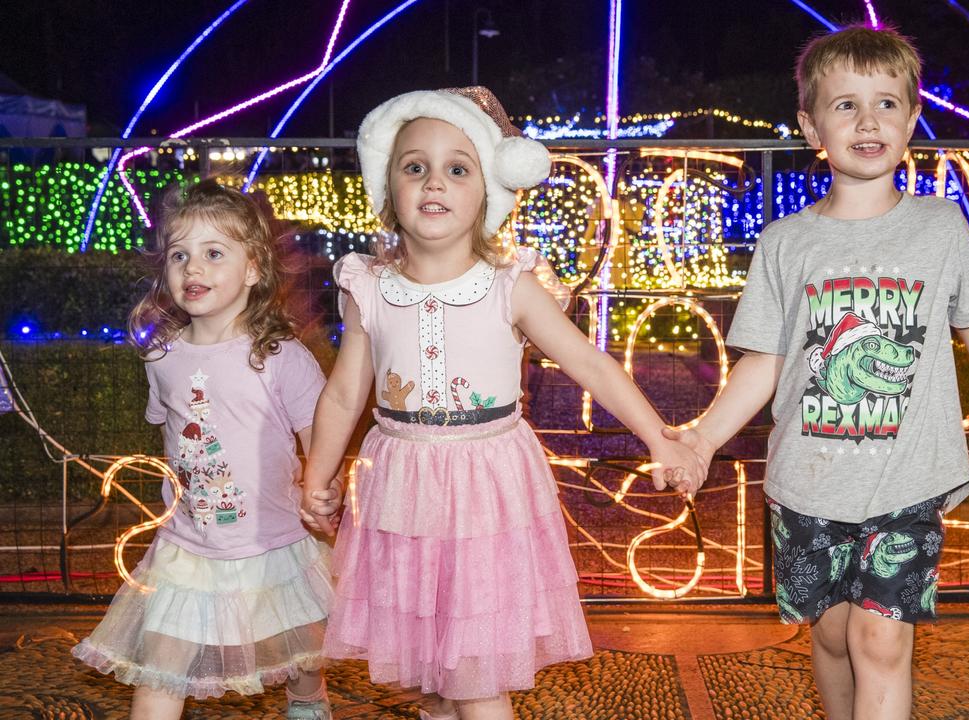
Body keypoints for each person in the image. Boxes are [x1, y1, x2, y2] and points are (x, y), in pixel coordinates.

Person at [663, 24, 969, 720]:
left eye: (886, 104)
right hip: (806, 484)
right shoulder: (785, 243)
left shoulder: (939, 227)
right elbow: (764, 361)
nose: (867, 121)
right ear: (810, 125)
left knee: (879, 640)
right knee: (837, 633)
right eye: (844, 105)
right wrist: (701, 439)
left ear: (910, 119)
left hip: (907, 478)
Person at [300, 86, 704, 720]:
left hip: (485, 487)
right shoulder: (368, 287)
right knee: (431, 667)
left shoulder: (509, 287)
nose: (435, 182)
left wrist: (661, 437)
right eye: (415, 167)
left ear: (489, 191)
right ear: (389, 190)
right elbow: (346, 392)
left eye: (458, 168)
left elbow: (591, 363)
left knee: (474, 672)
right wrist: (316, 476)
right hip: (401, 485)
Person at [72, 180, 333, 719]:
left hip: (273, 542)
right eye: (180, 255)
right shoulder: (161, 356)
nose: (194, 269)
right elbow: (172, 431)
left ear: (254, 269)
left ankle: (308, 700)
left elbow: (319, 442)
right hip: (185, 548)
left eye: (214, 253)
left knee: (305, 651)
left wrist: (320, 492)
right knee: (160, 671)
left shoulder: (281, 357)